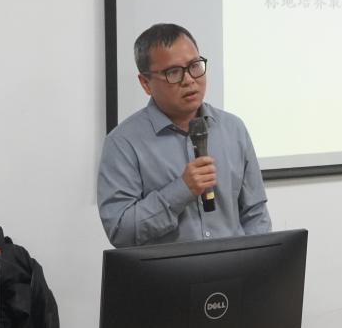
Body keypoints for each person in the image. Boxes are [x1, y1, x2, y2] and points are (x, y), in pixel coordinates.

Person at [98, 23, 272, 247]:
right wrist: (181, 190)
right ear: (145, 83)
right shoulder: (123, 143)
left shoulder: (233, 129)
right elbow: (120, 231)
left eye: (194, 66)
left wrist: (255, 261)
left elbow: (255, 214)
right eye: (173, 72)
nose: (189, 80)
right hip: (168, 270)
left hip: (234, 267)